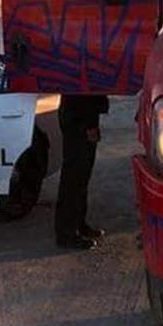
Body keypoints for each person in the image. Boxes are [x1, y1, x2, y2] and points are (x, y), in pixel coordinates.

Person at [55, 93, 109, 250]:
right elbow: (82, 96)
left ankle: (78, 223)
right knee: (74, 177)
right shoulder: (79, 73)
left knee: (82, 176)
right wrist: (90, 126)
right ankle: (66, 233)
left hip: (80, 117)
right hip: (79, 119)